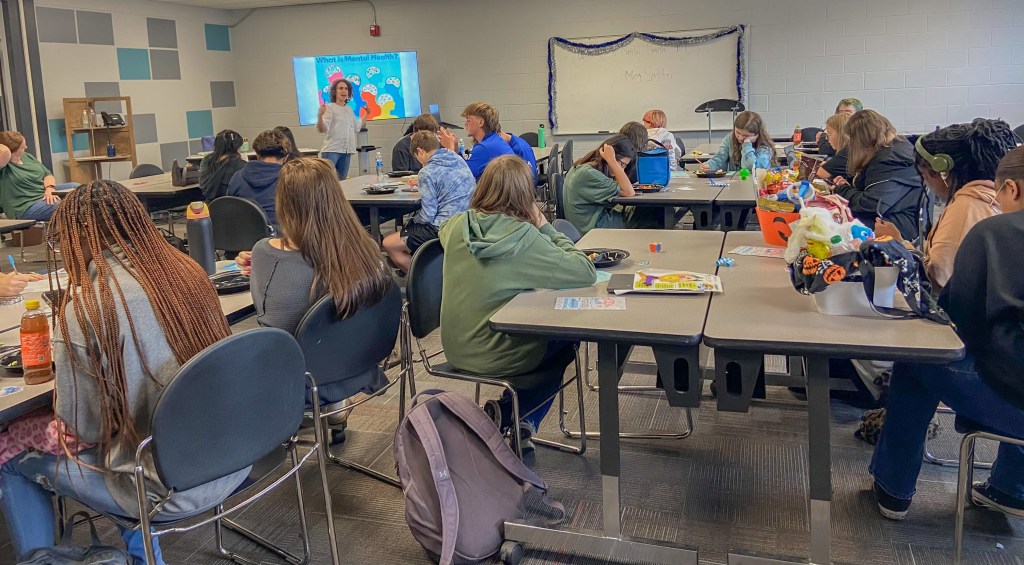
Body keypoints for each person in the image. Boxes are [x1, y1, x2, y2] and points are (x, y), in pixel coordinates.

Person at [0, 180, 242, 565]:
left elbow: (87, 432)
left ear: (81, 239)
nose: (64, 255)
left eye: (63, 244)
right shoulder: (188, 272)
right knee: (131, 425)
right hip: (234, 456)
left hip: (167, 488)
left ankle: (41, 560)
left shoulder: (84, 311)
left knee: (9, 456)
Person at [870, 147, 1024, 520]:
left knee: (920, 359)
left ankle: (893, 488)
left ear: (1012, 189)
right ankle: (1011, 487)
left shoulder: (994, 233)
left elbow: (956, 323)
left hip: (1013, 400)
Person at [438, 155, 596, 450]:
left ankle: (516, 417)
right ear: (527, 195)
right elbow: (584, 270)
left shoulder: (457, 226)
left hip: (455, 347)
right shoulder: (524, 236)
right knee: (568, 335)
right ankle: (517, 415)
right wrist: (544, 225)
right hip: (497, 353)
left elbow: (443, 233)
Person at [247, 158, 393, 444]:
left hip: (298, 381)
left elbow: (265, 315)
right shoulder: (367, 251)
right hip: (359, 365)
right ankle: (335, 406)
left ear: (284, 204)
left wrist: (263, 261)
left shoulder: (265, 254)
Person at [875, 119, 1017, 290]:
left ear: (942, 171)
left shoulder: (965, 209)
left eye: (923, 174)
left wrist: (896, 245)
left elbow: (936, 281)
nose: (925, 182)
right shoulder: (990, 197)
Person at [383, 131, 475, 272]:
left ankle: (422, 282)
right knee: (410, 230)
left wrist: (412, 222)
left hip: (443, 227)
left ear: (420, 151)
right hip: (466, 221)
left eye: (416, 157)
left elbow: (427, 216)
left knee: (389, 243)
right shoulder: (457, 159)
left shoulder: (427, 172)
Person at [833, 110, 924, 242]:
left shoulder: (889, 159)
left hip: (894, 225)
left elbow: (870, 204)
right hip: (900, 217)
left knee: (831, 224)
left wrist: (842, 190)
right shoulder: (898, 147)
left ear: (861, 139)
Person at [562, 135, 636, 236]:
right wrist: (613, 162)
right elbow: (628, 192)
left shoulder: (582, 167)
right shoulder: (590, 174)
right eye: (621, 164)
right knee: (646, 217)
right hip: (593, 230)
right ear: (609, 157)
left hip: (587, 225)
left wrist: (614, 163)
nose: (622, 170)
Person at [227, 129, 291, 227]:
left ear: (257, 154)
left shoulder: (237, 177)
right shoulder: (291, 180)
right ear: (286, 158)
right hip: (281, 238)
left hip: (244, 236)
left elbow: (230, 210)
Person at [438, 102, 513, 179]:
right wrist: (456, 148)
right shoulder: (493, 141)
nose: (465, 124)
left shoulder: (485, 148)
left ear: (480, 122)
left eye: (468, 120)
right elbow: (466, 163)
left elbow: (458, 177)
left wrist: (449, 148)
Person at [0, 131, 59, 220]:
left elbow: (47, 174)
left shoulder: (26, 156)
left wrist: (50, 188)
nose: (26, 147)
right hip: (25, 207)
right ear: (12, 150)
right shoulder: (3, 165)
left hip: (44, 193)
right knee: (66, 205)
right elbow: (4, 151)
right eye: (22, 147)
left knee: (77, 188)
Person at [701, 111, 776, 172]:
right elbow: (720, 158)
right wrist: (709, 166)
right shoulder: (730, 138)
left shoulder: (764, 147)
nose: (740, 137)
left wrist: (747, 145)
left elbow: (750, 168)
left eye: (746, 135)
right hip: (735, 183)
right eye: (738, 132)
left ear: (756, 135)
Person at [317, 78, 361, 180]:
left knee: (342, 182)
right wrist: (320, 115)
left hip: (346, 151)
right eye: (340, 88)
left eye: (346, 89)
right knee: (328, 181)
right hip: (332, 150)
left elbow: (358, 127)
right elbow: (322, 129)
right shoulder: (330, 107)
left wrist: (367, 114)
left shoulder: (349, 109)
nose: (344, 91)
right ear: (334, 91)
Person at [199, 129, 245, 201]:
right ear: (237, 147)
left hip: (211, 205)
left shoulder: (206, 160)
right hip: (234, 206)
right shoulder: (241, 165)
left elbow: (202, 185)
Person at [816, 113, 851, 181]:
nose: (828, 139)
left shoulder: (846, 153)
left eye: (829, 134)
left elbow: (821, 174)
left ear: (841, 134)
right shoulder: (851, 149)